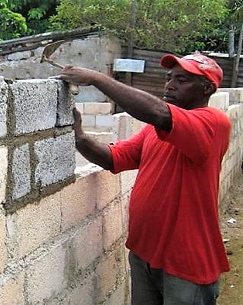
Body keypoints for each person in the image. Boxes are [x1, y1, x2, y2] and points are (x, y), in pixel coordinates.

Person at [58, 53, 231, 305]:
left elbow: (158, 112)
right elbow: (114, 158)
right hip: (145, 255)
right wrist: (79, 137)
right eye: (169, 78)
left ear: (207, 88)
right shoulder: (155, 130)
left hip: (185, 263)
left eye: (181, 80)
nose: (170, 85)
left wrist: (96, 78)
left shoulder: (213, 122)